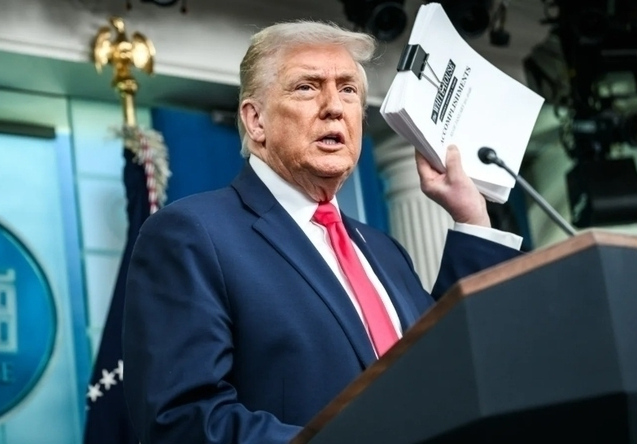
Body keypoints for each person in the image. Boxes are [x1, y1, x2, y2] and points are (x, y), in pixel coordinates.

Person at [123, 20, 523, 444]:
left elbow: (449, 363)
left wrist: (471, 219)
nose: (334, 106)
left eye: (348, 90)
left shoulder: (385, 252)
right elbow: (183, 421)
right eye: (307, 87)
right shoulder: (193, 234)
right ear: (255, 121)